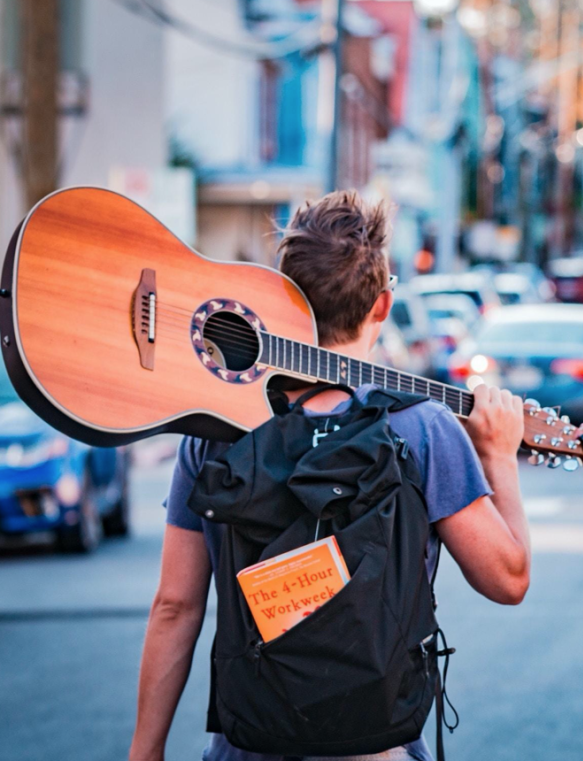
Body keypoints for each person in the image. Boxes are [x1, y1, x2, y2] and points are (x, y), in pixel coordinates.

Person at [129, 191, 531, 761]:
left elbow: (175, 606)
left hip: (250, 742)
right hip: (378, 745)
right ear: (382, 307)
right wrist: (499, 458)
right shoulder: (421, 428)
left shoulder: (217, 427)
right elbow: (507, 580)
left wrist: (145, 751)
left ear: (279, 295)